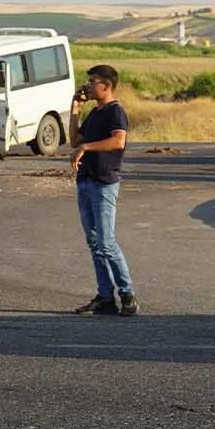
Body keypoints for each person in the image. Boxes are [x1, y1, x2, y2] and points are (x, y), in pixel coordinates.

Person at [69, 64, 137, 317]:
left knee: (107, 243)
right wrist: (75, 108)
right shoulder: (95, 113)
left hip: (104, 182)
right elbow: (74, 140)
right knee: (94, 242)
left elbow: (118, 141)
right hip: (86, 181)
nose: (87, 86)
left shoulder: (115, 112)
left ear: (106, 85)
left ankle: (127, 295)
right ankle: (105, 297)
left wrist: (87, 149)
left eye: (92, 81)